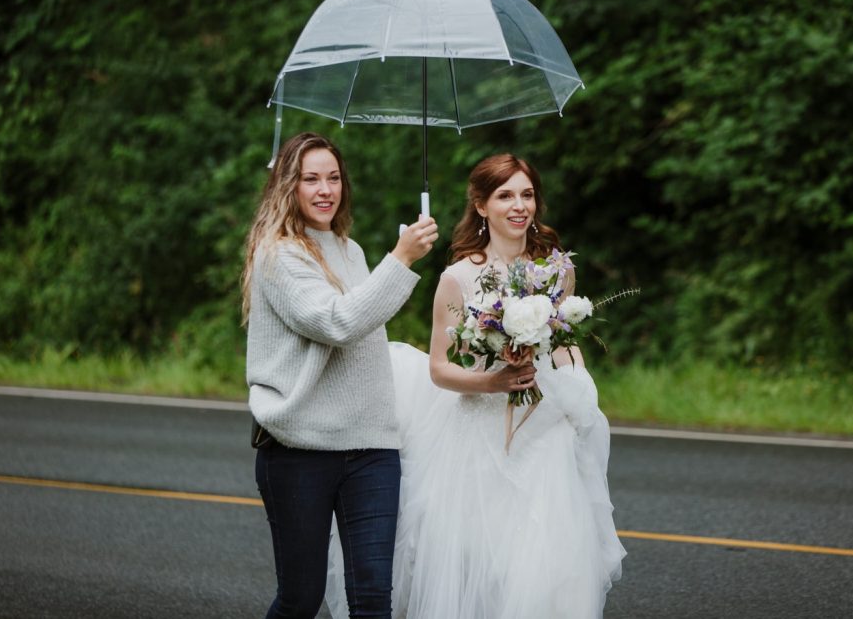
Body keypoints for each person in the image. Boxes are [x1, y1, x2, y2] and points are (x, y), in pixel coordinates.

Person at [325, 153, 625, 618]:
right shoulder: (459, 277)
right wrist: (494, 381)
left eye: (527, 194)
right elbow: (441, 369)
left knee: (547, 565)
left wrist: (578, 389)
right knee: (482, 567)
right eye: (505, 195)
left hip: (544, 429)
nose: (519, 205)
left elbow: (565, 344)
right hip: (477, 434)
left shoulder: (557, 270)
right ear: (482, 205)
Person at [242, 131, 438, 619]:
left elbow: (363, 318)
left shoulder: (349, 250)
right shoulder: (279, 254)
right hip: (299, 450)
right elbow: (337, 322)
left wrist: (391, 264)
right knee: (301, 599)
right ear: (289, 186)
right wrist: (402, 257)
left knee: (374, 598)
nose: (325, 189)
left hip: (371, 448)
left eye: (333, 178)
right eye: (311, 179)